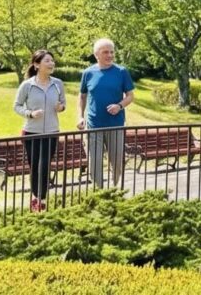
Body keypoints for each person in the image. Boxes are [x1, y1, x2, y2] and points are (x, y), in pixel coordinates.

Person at [13, 50, 66, 212]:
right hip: (31, 133)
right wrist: (30, 114)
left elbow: (63, 103)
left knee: (45, 166)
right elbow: (17, 106)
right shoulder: (27, 85)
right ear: (37, 65)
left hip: (51, 132)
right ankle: (36, 198)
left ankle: (41, 199)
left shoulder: (58, 84)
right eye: (47, 61)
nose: (51, 63)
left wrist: (61, 107)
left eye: (52, 61)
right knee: (35, 166)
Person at [78, 38, 134, 189]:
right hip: (93, 125)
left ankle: (115, 191)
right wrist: (80, 116)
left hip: (115, 125)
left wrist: (119, 106)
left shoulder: (121, 72)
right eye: (105, 52)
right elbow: (82, 96)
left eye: (112, 52)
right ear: (96, 54)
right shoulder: (88, 73)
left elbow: (130, 96)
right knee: (94, 164)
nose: (110, 55)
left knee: (116, 163)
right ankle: (99, 193)